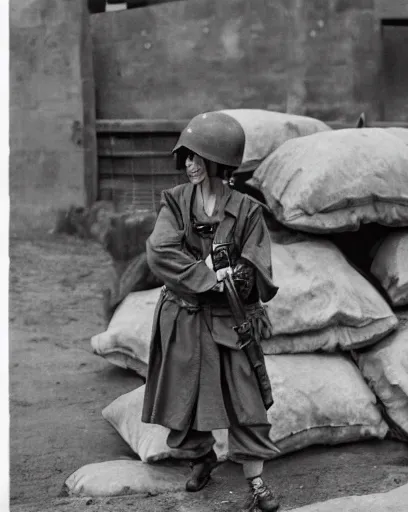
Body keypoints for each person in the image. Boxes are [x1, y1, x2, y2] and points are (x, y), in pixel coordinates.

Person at [142, 112, 281, 512]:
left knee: (247, 400)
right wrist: (207, 276)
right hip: (183, 315)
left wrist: (239, 277)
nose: (190, 164)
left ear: (221, 162)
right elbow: (160, 250)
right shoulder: (175, 201)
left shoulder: (249, 211)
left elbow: (258, 264)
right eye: (186, 156)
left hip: (231, 320)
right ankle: (201, 458)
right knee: (181, 399)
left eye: (198, 157)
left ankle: (256, 484)